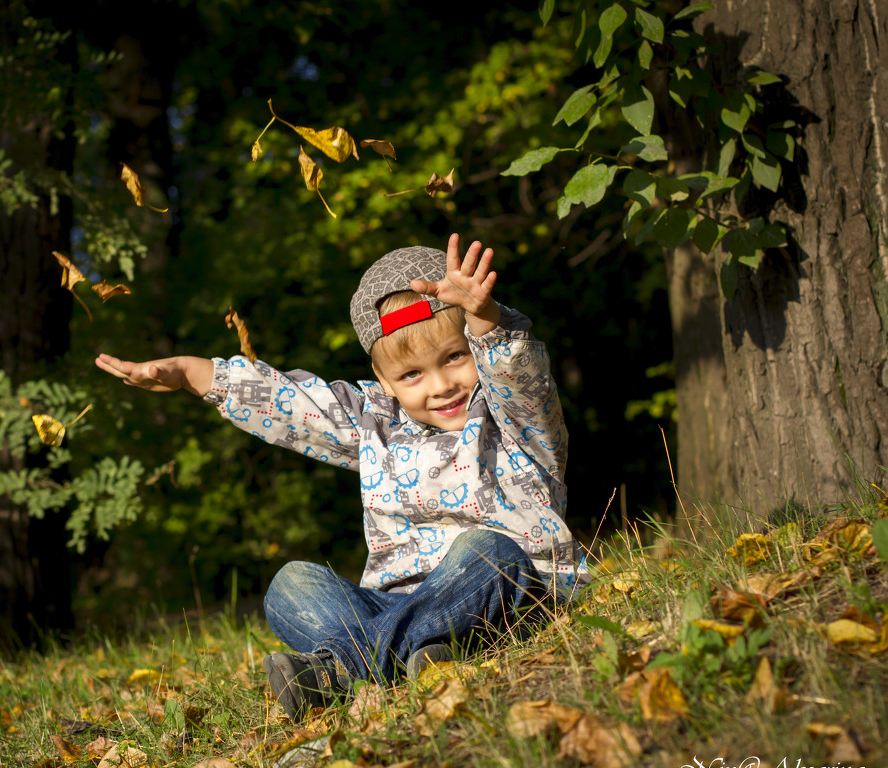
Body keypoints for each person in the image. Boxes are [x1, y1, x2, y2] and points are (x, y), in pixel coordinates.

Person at [95, 234, 587, 722]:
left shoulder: (511, 416)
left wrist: (485, 322)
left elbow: (521, 376)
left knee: (487, 551)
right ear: (383, 378)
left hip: (513, 593)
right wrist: (188, 372)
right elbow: (289, 404)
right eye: (412, 374)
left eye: (455, 356)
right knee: (292, 586)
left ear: (475, 348)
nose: (441, 386)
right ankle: (422, 653)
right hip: (396, 602)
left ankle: (342, 671)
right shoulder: (375, 420)